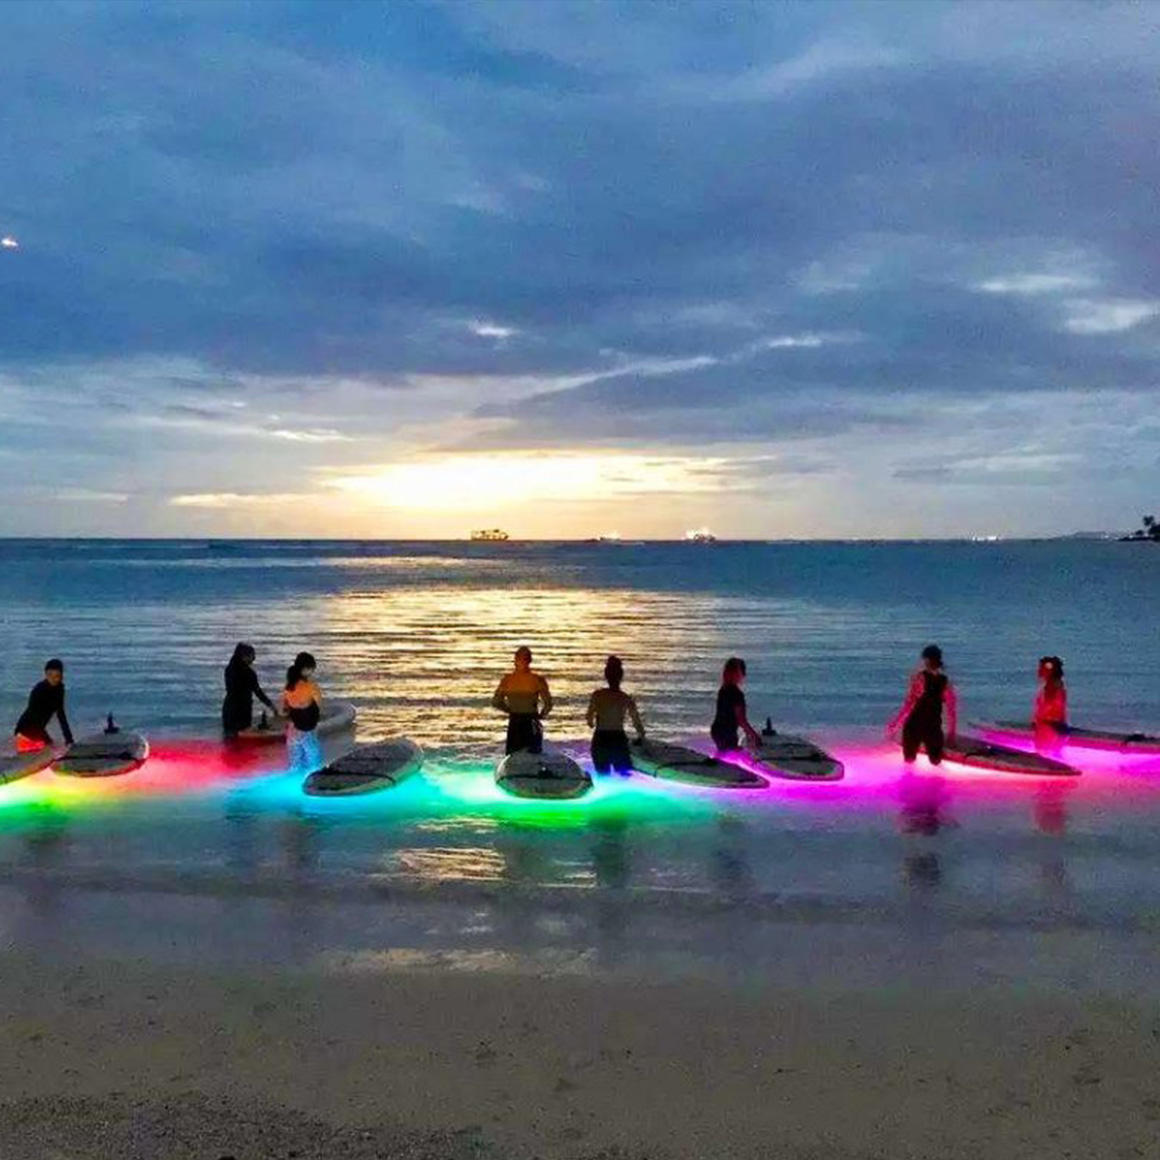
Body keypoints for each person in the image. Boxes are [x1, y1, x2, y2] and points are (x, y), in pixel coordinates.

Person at [887, 644, 958, 765]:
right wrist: (952, 733)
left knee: (910, 760)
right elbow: (951, 710)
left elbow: (909, 704)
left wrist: (896, 723)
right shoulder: (946, 682)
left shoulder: (919, 678)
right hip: (933, 726)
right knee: (935, 761)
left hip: (915, 725)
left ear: (926, 660)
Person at [586, 656, 645, 775]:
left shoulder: (597, 695)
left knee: (603, 775)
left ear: (606, 675)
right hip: (618, 739)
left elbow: (589, 721)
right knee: (624, 775)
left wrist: (594, 721)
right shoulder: (625, 698)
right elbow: (637, 722)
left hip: (601, 739)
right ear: (621, 677)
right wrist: (641, 736)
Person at [492, 646, 552, 754]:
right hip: (531, 720)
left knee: (513, 755)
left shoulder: (507, 680)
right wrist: (541, 715)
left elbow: (496, 702)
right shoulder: (537, 680)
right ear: (530, 660)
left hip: (515, 721)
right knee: (533, 755)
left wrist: (509, 710)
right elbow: (548, 704)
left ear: (515, 660)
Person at [14, 659, 75, 751]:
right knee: (49, 751)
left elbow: (61, 715)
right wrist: (46, 740)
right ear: (46, 674)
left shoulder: (60, 689)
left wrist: (69, 739)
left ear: (62, 676)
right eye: (50, 675)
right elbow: (33, 716)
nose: (54, 679)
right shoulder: (39, 690)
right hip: (25, 732)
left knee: (54, 750)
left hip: (38, 731)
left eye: (57, 676)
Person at [222, 642, 277, 738]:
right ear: (244, 656)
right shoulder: (249, 673)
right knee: (244, 739)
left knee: (230, 737)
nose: (253, 658)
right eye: (252, 656)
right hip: (243, 710)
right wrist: (271, 706)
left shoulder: (229, 670)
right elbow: (258, 692)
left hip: (229, 708)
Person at [710, 657, 762, 753]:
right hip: (727, 733)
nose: (744, 675)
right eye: (742, 671)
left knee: (725, 753)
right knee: (732, 754)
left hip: (717, 730)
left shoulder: (723, 690)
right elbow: (741, 719)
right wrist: (754, 735)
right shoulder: (736, 694)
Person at [282, 652, 323, 770]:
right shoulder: (311, 687)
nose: (312, 672)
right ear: (306, 669)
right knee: (314, 763)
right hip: (307, 729)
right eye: (312, 669)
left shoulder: (288, 687)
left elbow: (284, 710)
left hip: (292, 729)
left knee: (295, 765)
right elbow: (319, 705)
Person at [1033, 655, 1068, 752]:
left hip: (1050, 727)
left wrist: (1040, 721)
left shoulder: (1052, 686)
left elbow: (1050, 706)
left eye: (1041, 668)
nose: (1038, 670)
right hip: (1053, 725)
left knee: (1044, 752)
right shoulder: (1056, 684)